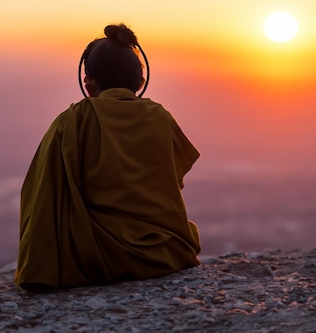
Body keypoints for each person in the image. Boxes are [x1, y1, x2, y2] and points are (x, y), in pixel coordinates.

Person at [15, 24, 201, 289]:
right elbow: (172, 181)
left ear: (88, 82)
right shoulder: (161, 118)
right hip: (165, 253)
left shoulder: (73, 122)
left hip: (98, 258)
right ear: (140, 81)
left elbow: (43, 194)